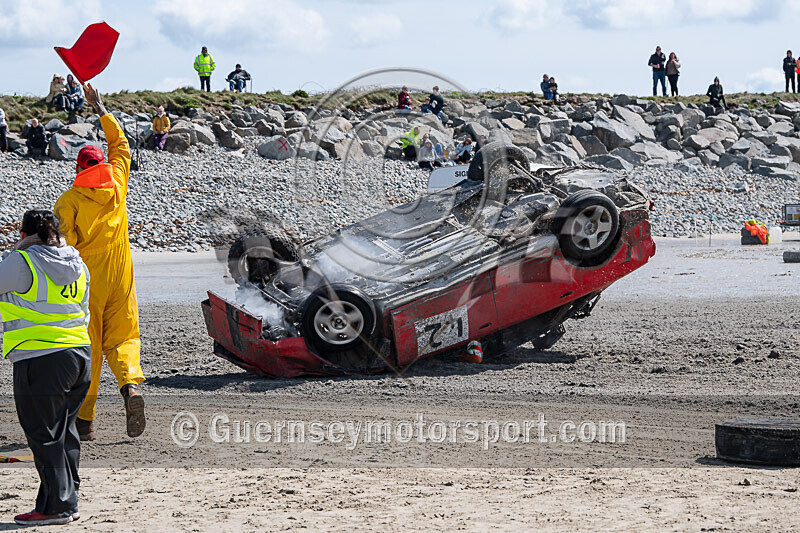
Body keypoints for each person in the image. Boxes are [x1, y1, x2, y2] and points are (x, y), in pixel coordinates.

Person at [54, 83, 146, 441]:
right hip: (121, 271)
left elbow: (65, 245)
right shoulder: (118, 181)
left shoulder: (70, 200)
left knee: (90, 344)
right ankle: (130, 388)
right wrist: (101, 108)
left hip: (87, 277)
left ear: (79, 167)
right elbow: (121, 145)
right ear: (102, 165)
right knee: (124, 335)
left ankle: (85, 422)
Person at [0, 210, 91, 526]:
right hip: (79, 355)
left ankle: (57, 507)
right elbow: (83, 309)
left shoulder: (21, 261)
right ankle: (67, 499)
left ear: (24, 234)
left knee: (43, 434)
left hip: (41, 358)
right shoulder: (77, 263)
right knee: (64, 432)